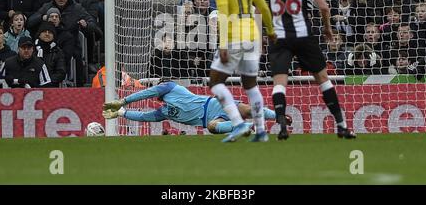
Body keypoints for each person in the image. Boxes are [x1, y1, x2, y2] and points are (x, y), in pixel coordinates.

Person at [257, 0, 356, 140]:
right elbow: (324, 7)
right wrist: (327, 28)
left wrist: (260, 40)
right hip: (303, 35)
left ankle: (282, 125)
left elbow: (258, 10)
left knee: (279, 83)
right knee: (323, 80)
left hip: (279, 36)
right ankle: (342, 126)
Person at [208, 0, 276, 143]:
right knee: (250, 84)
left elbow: (222, 10)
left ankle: (238, 124)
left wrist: (222, 44)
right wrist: (270, 31)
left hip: (233, 37)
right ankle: (261, 130)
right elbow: (262, 6)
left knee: (215, 82)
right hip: (252, 36)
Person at [102, 80, 291, 135]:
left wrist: (124, 101)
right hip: (209, 120)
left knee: (248, 110)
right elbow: (145, 117)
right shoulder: (164, 112)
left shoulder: (171, 87)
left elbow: (146, 93)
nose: (155, 90)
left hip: (215, 103)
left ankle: (278, 116)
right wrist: (121, 112)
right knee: (211, 127)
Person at [33, 21, 66, 87]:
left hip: (51, 86)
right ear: (39, 34)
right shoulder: (32, 49)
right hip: (32, 86)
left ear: (53, 36)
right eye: (44, 31)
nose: (47, 34)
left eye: (50, 32)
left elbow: (61, 73)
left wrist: (46, 82)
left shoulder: (58, 52)